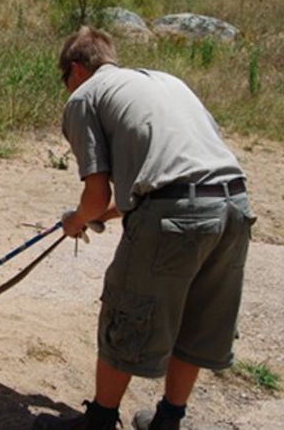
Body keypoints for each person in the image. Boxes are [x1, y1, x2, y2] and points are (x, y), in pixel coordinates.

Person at [32, 27, 256, 430]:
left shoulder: (85, 97)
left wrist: (77, 220)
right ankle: (169, 419)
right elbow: (178, 175)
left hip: (176, 215)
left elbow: (97, 197)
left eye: (64, 78)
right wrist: (101, 215)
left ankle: (98, 421)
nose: (66, 88)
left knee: (128, 311)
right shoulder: (167, 82)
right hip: (234, 207)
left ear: (77, 69)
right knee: (196, 317)